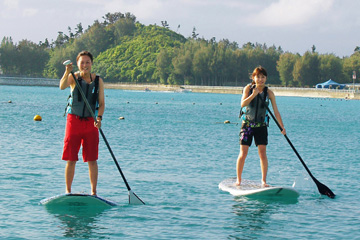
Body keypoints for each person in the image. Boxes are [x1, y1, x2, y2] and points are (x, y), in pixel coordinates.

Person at [59, 51, 105, 195]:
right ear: (78, 64)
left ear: (91, 64)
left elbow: (102, 103)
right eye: (82, 62)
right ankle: (68, 191)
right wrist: (67, 72)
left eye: (87, 62)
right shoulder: (73, 77)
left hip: (91, 123)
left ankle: (94, 192)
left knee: (92, 159)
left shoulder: (98, 80)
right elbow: (61, 86)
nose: (85, 65)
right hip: (74, 121)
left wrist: (99, 118)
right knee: (71, 158)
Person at [236, 66, 286, 187]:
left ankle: (263, 181)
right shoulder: (248, 88)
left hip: (261, 126)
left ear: (266, 78)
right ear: (253, 77)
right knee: (243, 153)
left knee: (263, 153)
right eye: (258, 77)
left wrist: (282, 127)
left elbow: (276, 111)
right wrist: (253, 95)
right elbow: (243, 104)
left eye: (263, 77)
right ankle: (239, 179)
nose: (260, 79)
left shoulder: (269, 93)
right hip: (247, 125)